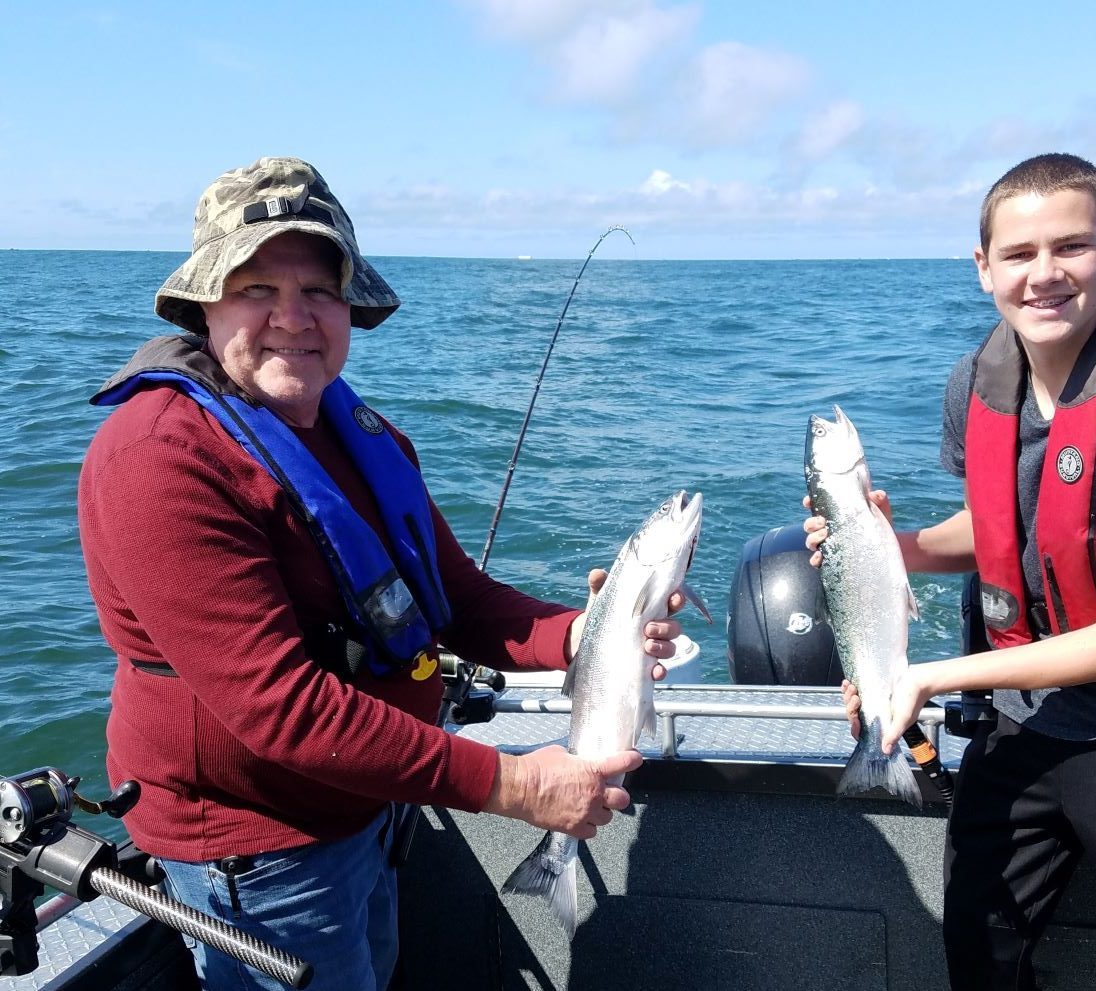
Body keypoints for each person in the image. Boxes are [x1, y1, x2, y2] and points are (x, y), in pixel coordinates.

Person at [77, 156, 685, 991]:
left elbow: (457, 598)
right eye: (257, 288)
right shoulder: (158, 456)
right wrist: (509, 783)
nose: (293, 318)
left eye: (319, 291)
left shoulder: (363, 437)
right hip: (255, 850)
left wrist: (587, 634)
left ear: (350, 310)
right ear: (204, 304)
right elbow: (278, 705)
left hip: (367, 804)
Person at [805, 153, 1096, 990]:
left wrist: (928, 676)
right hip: (1024, 717)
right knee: (977, 953)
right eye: (1020, 253)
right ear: (983, 267)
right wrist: (892, 548)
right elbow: (1002, 528)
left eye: (1071, 247)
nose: (1045, 274)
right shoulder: (976, 381)